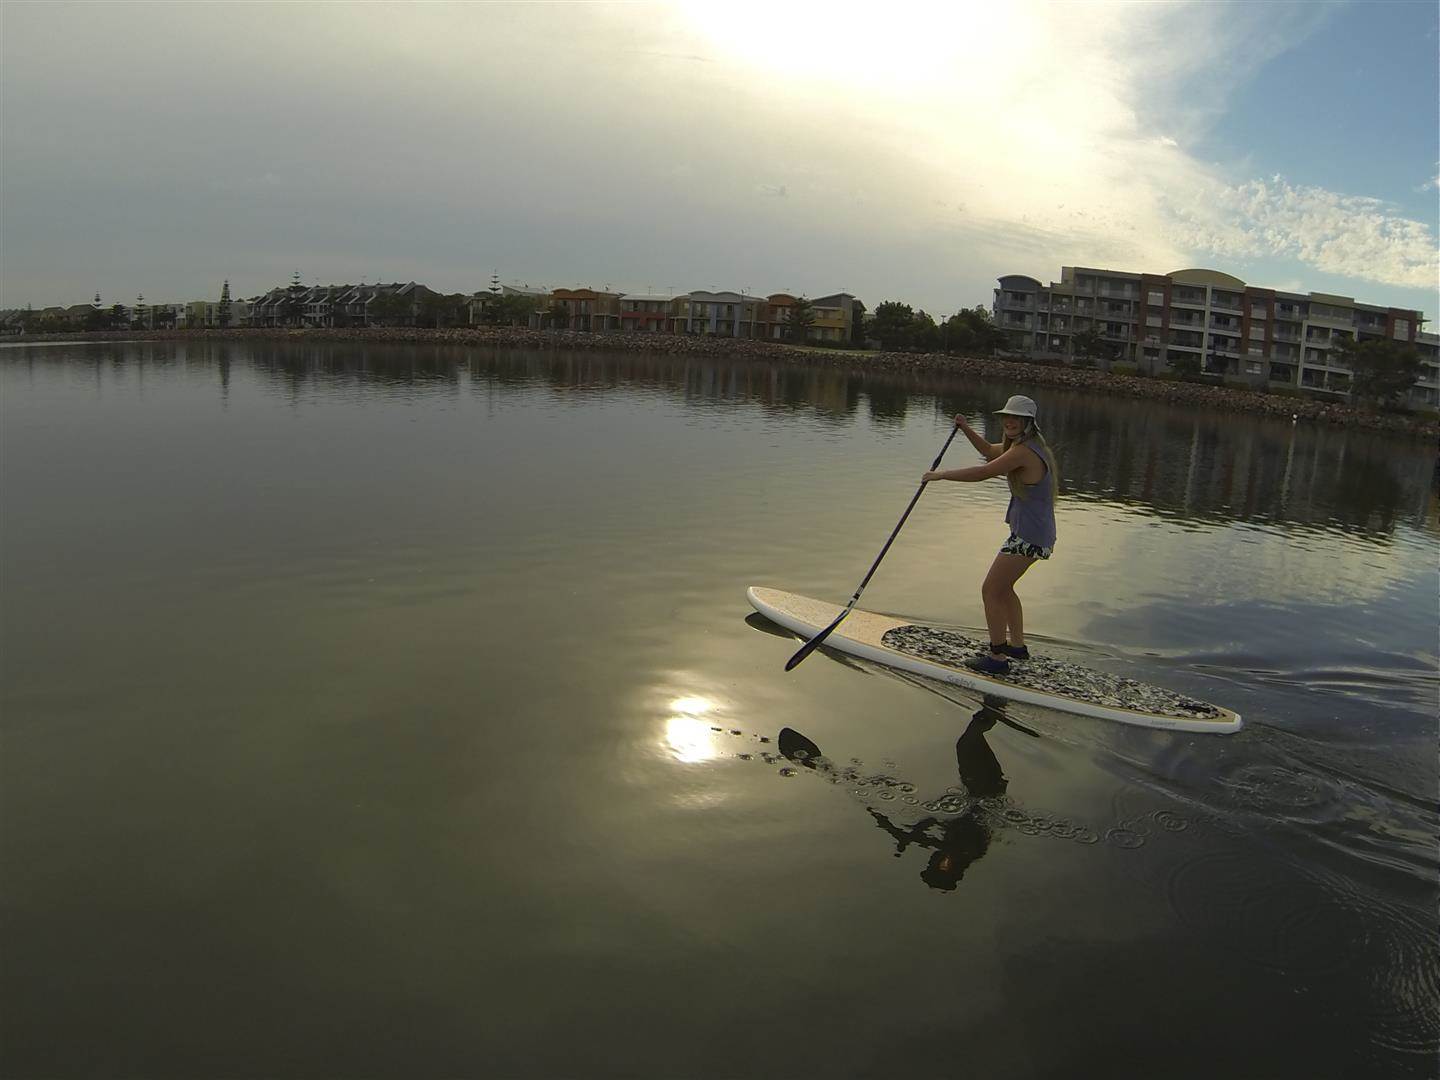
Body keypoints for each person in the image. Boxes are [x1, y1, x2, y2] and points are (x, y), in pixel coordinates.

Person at [921, 394, 1058, 675]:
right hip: (1034, 534)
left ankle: (997, 659)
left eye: (1016, 418)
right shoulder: (1024, 446)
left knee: (990, 590)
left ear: (1028, 423)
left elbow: (984, 472)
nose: (1009, 422)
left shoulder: (1024, 452)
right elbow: (988, 453)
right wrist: (965, 427)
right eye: (1006, 417)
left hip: (1029, 537)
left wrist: (941, 475)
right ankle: (1016, 647)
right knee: (1004, 588)